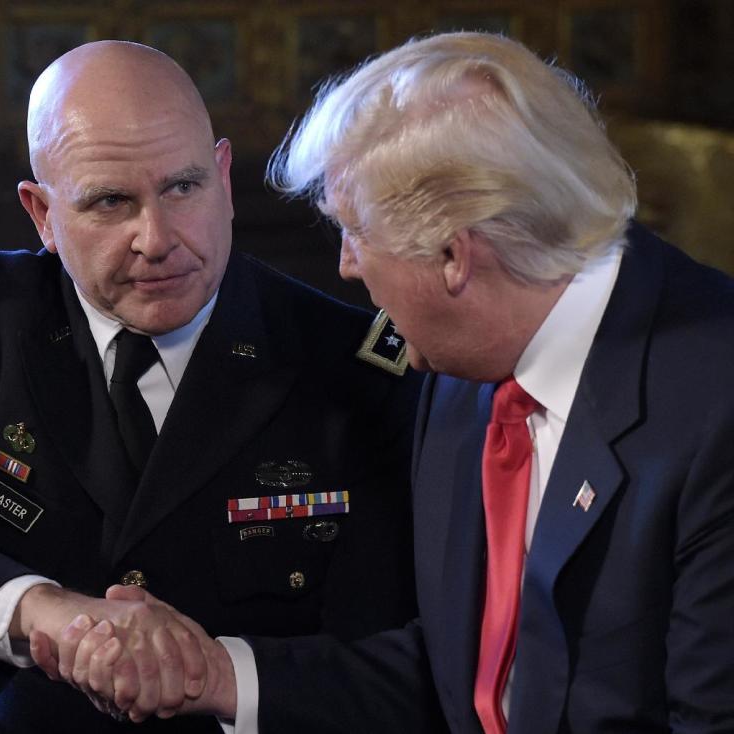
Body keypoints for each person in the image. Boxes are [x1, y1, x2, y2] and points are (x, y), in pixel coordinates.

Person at [54, 32, 734, 733]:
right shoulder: (458, 369)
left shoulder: (714, 410)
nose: (347, 266)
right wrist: (217, 677)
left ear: (452, 257)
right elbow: (458, 677)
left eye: (355, 231)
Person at [0, 41, 423, 732]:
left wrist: (213, 672)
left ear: (223, 177)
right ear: (42, 216)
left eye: (182, 188)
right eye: (111, 202)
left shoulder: (351, 368)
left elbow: (394, 661)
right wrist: (42, 612)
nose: (156, 238)